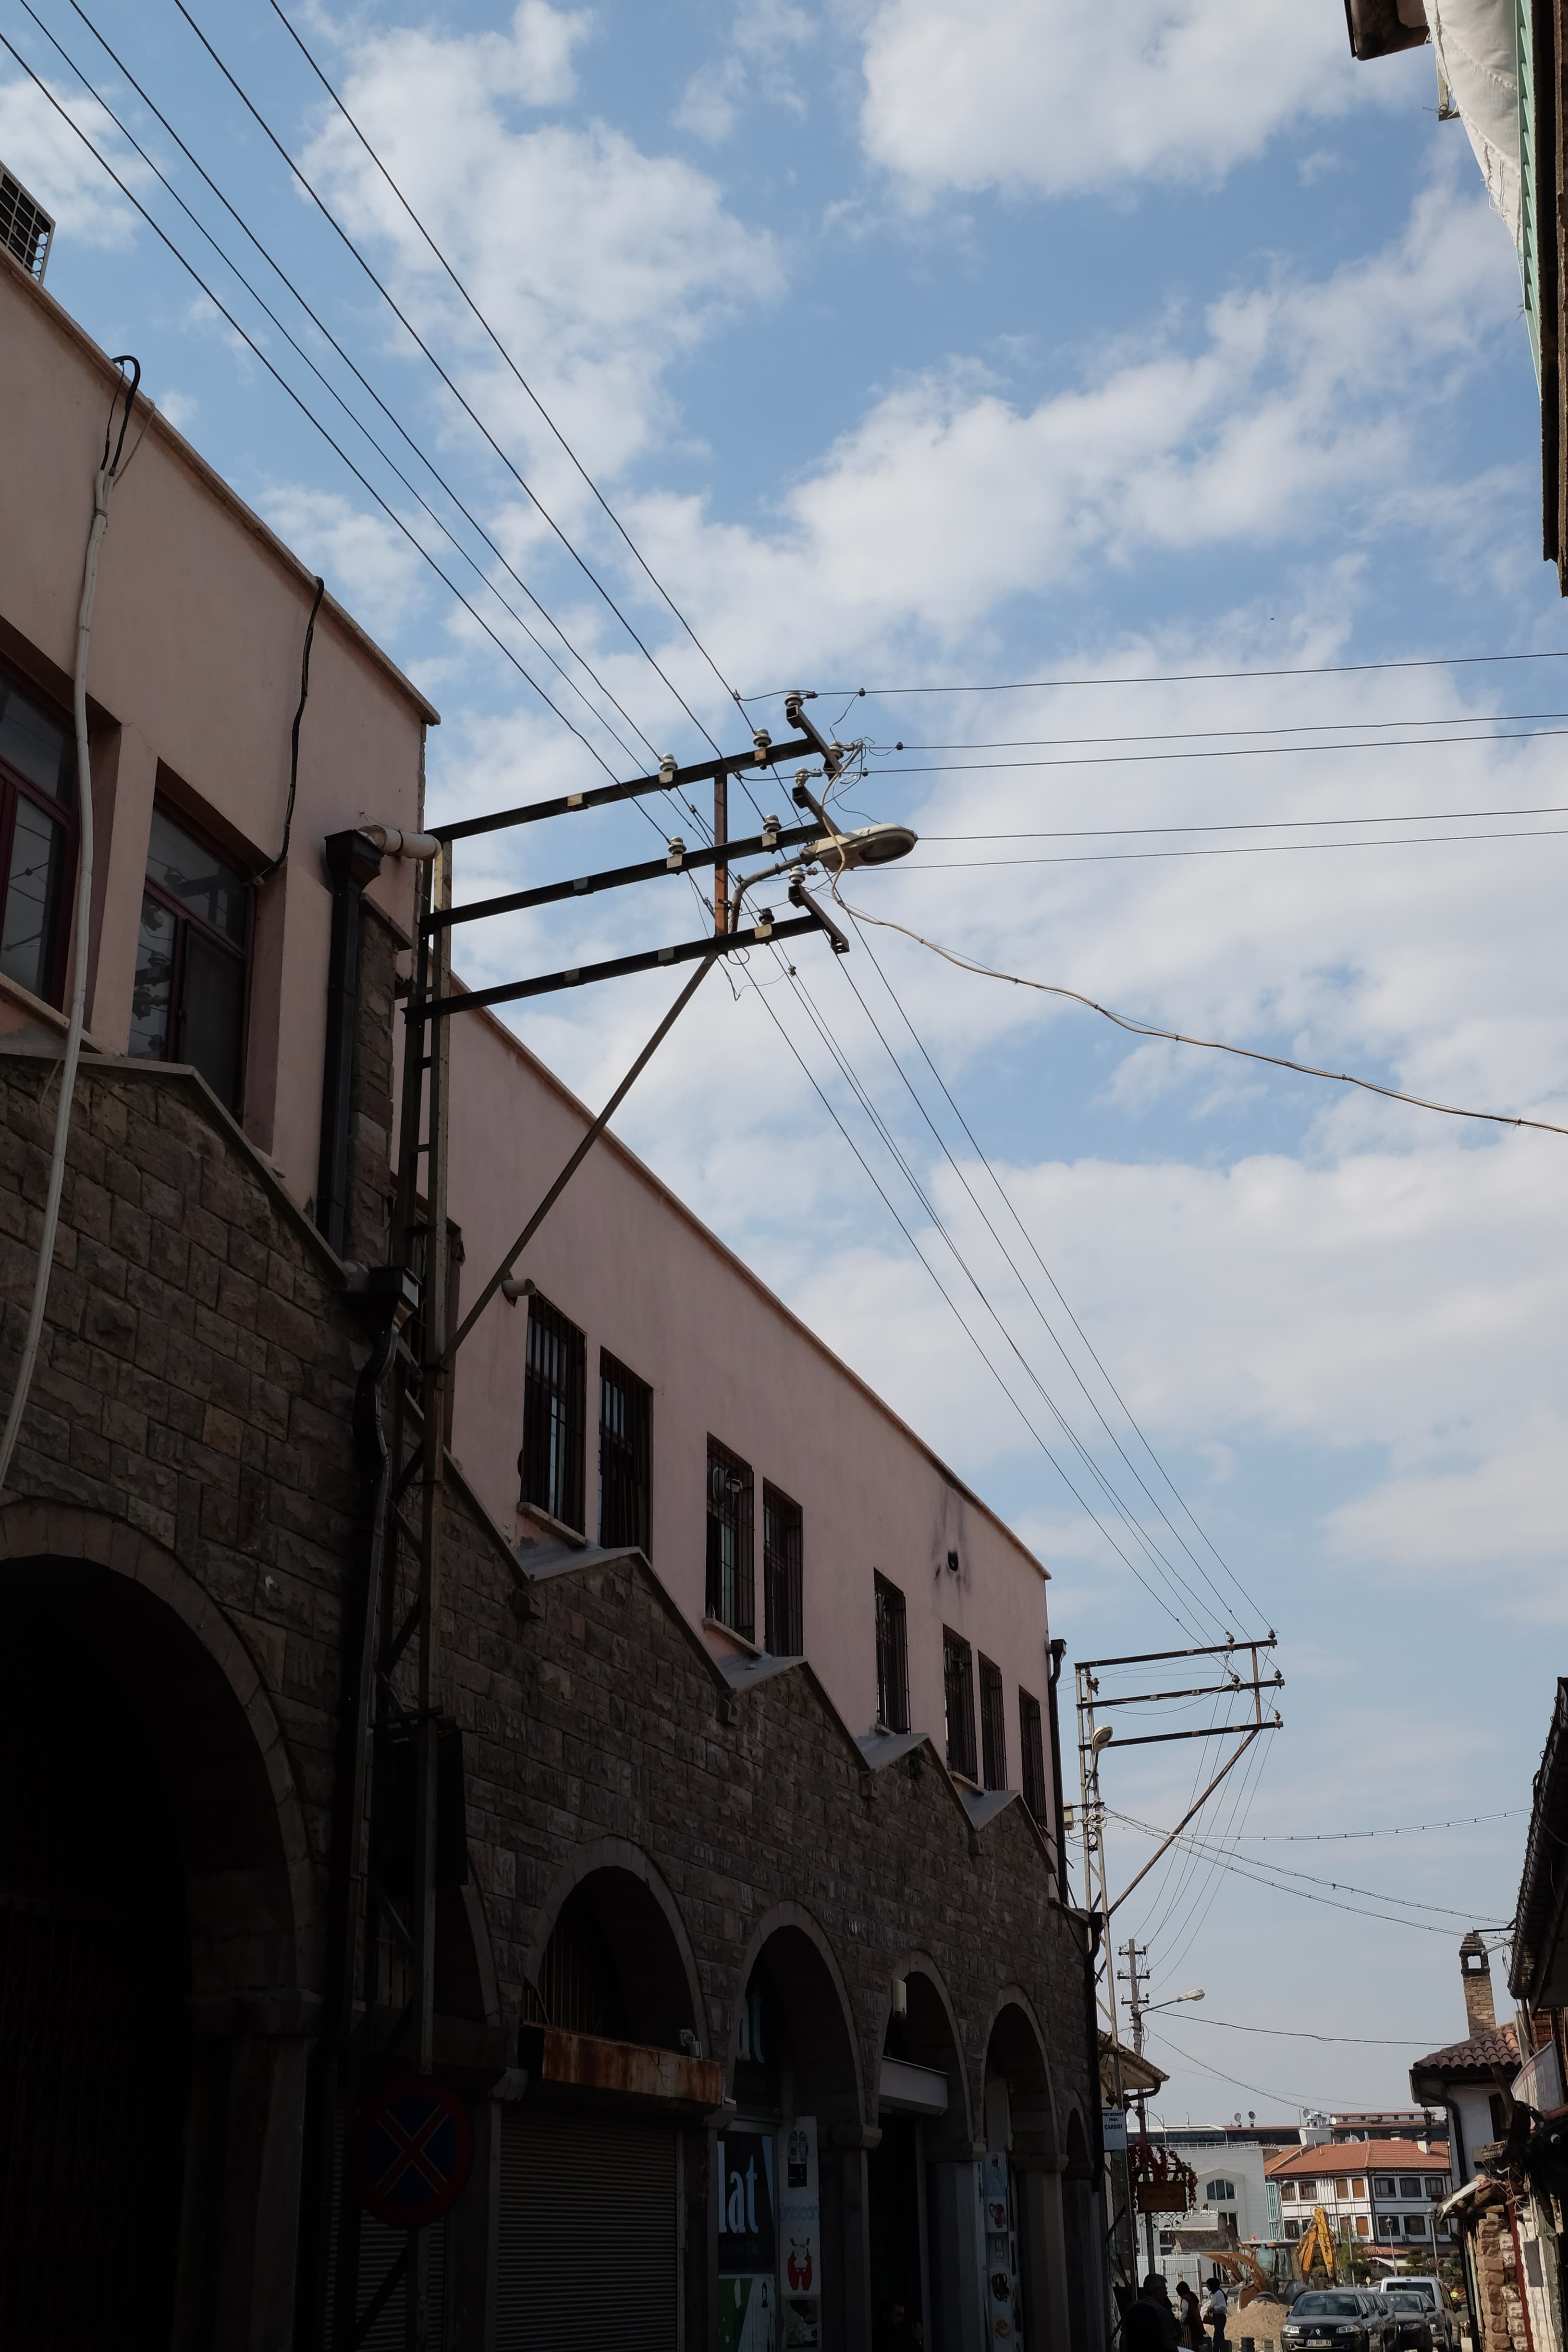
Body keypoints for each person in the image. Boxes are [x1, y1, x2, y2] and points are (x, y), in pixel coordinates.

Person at [1176, 2277, 1204, 2347]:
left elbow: (1185, 2310)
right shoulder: (1191, 2295)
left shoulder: (1185, 2298)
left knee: (1192, 2341)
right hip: (1196, 2319)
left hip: (1191, 2322)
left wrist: (1181, 2321)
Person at [1205, 2277, 1229, 2348]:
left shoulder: (1219, 2293)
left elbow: (1224, 2308)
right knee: (1220, 2337)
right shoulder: (1214, 2294)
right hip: (1217, 2318)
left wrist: (1213, 2308)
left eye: (1208, 2286)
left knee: (1217, 2337)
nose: (1207, 2288)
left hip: (1220, 2318)